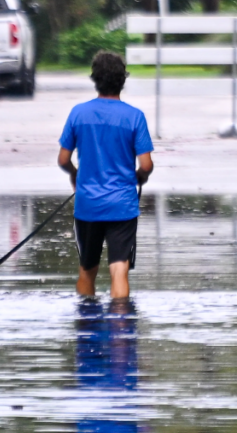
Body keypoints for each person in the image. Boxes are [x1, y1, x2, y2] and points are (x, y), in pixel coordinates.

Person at [58, 51, 153, 299]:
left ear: (95, 79)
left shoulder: (78, 114)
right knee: (119, 271)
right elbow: (146, 164)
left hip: (88, 204)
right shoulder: (135, 117)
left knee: (87, 270)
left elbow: (63, 159)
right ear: (123, 80)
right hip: (122, 205)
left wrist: (74, 175)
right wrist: (139, 177)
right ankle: (121, 329)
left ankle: (87, 324)